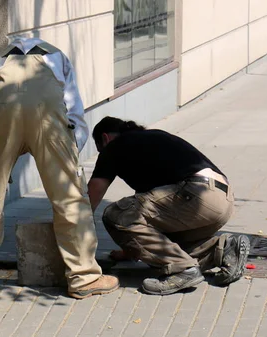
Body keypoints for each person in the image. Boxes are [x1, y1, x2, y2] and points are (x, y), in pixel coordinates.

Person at [0, 37, 119, 299]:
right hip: (49, 121)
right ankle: (84, 277)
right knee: (69, 198)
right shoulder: (57, 56)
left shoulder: (0, 59)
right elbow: (73, 109)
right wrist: (71, 155)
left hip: (4, 116)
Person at [87, 116, 250, 295]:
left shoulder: (114, 147)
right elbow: (145, 224)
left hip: (195, 196)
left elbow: (89, 202)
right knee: (160, 246)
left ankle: (182, 270)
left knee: (115, 214)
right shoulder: (151, 139)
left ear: (105, 138)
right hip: (222, 200)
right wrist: (129, 251)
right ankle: (223, 249)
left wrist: (68, 238)